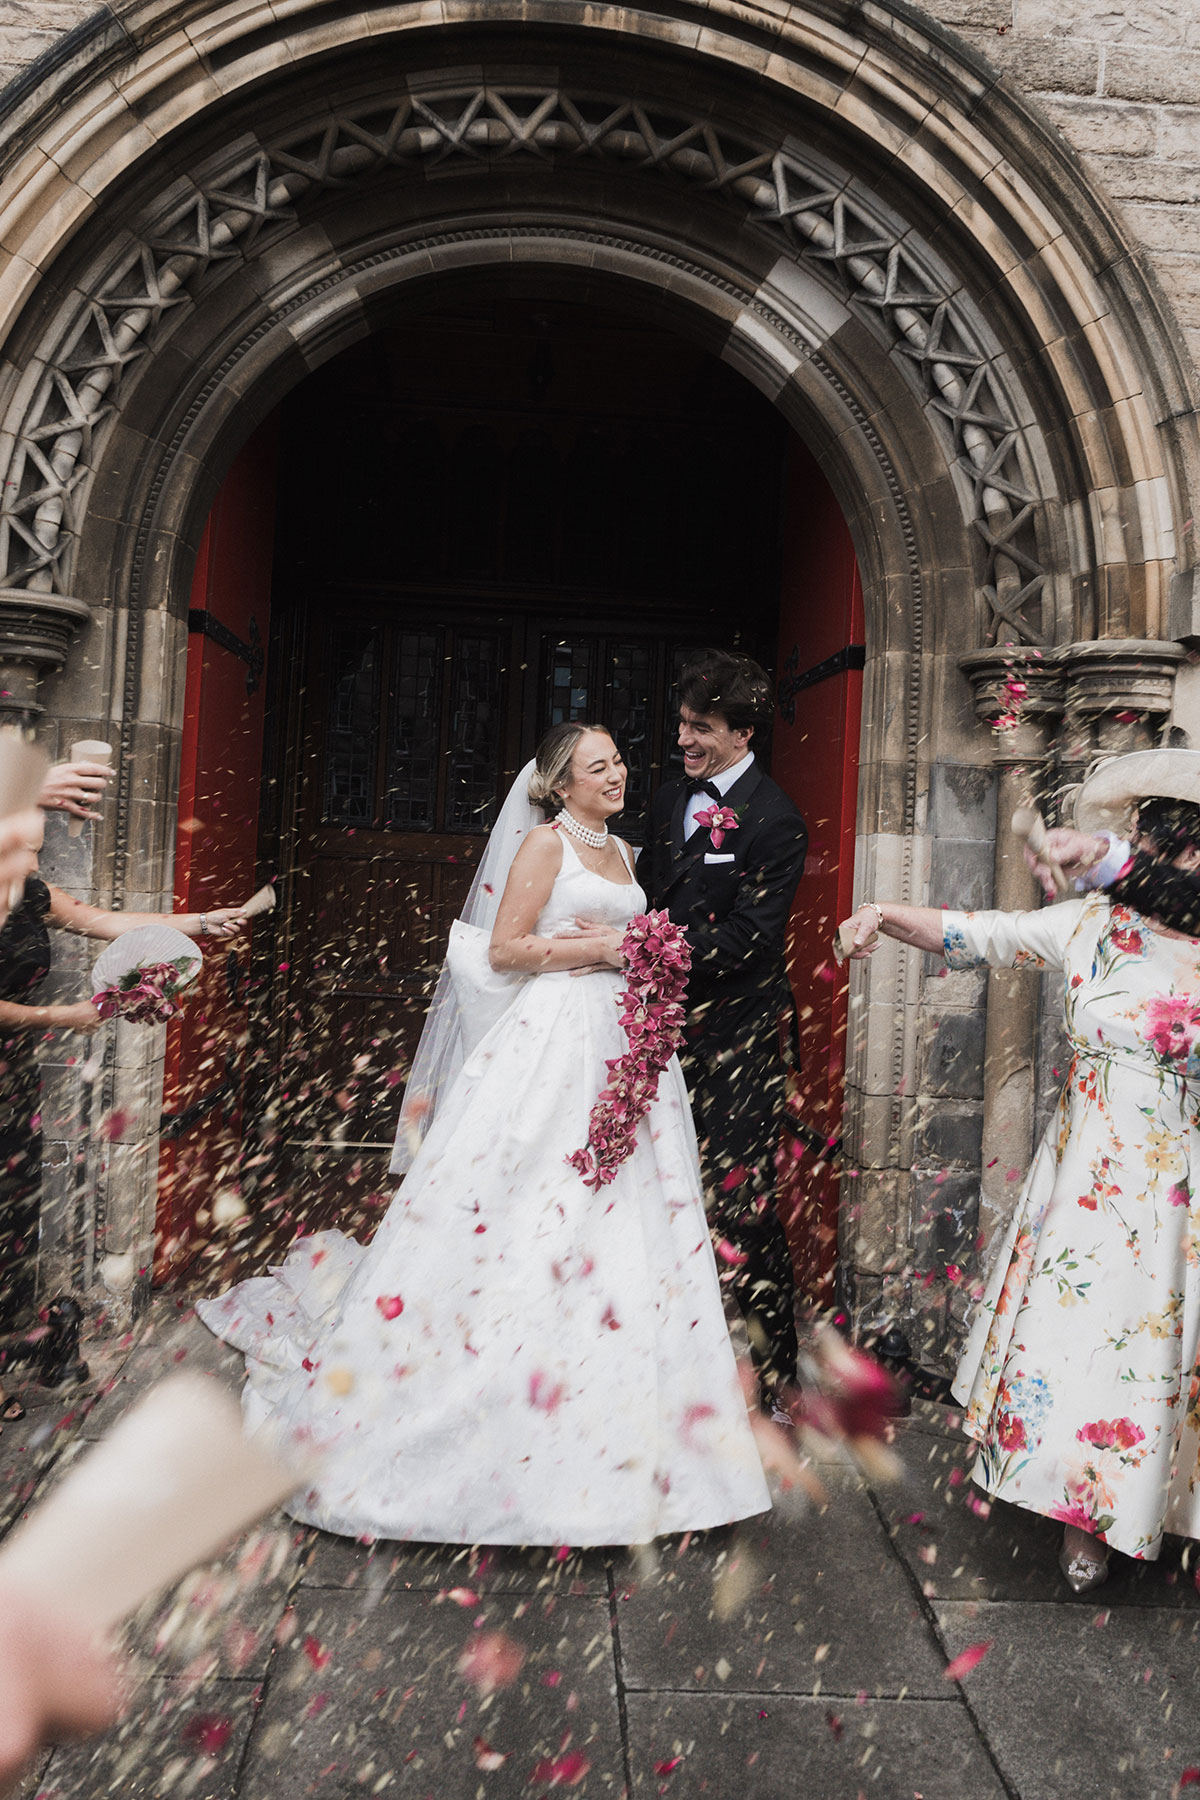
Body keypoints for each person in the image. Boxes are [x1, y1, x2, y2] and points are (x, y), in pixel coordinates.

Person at [198, 723, 770, 1545]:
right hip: (553, 1048)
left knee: (635, 1221)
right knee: (531, 1204)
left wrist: (635, 953)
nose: (616, 775)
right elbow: (503, 950)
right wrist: (609, 948)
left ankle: (632, 1433)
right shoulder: (545, 845)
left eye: (617, 763)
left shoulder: (629, 854)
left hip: (625, 1046)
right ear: (561, 783)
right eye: (598, 766)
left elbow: (627, 940)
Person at [838, 747, 1200, 1593]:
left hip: (1182, 1185)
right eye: (1169, 846)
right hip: (1084, 1183)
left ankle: (1162, 1506)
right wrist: (883, 911)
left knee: (1168, 1346)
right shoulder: (1090, 928)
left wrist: (1106, 861)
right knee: (1087, 1345)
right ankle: (1086, 1519)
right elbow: (977, 935)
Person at [0, 808, 245, 1340]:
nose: (36, 862)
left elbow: (112, 923)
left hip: (9, 1078)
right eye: (26, 850)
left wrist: (203, 922)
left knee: (7, 1218)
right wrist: (61, 1018)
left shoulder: (30, 894)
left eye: (39, 850)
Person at [637, 651, 808, 1414]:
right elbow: (640, 894)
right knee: (648, 1190)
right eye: (681, 723)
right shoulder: (667, 797)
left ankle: (776, 1375)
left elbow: (753, 938)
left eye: (700, 728)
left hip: (736, 1038)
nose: (683, 739)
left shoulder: (778, 821)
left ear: (743, 735)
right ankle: (656, 1358)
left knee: (742, 1203)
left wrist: (652, 948)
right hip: (658, 1030)